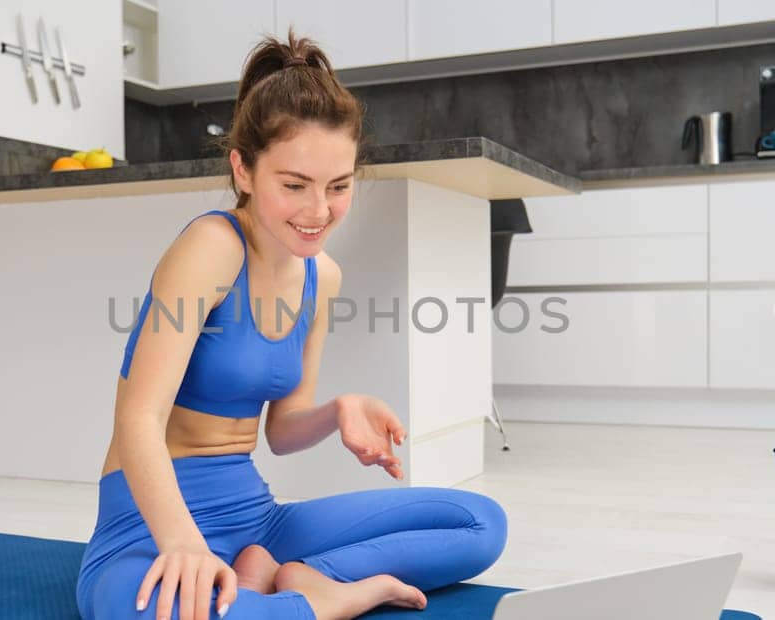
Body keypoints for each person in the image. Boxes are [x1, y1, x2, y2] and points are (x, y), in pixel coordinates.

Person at [73, 29, 509, 620]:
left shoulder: (320, 275)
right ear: (245, 171)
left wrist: (338, 410)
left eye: (338, 187)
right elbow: (137, 417)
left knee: (479, 523)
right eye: (294, 185)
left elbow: (281, 431)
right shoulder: (210, 247)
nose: (318, 211)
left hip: (256, 521)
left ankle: (286, 583)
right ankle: (335, 597)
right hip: (149, 526)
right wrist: (183, 545)